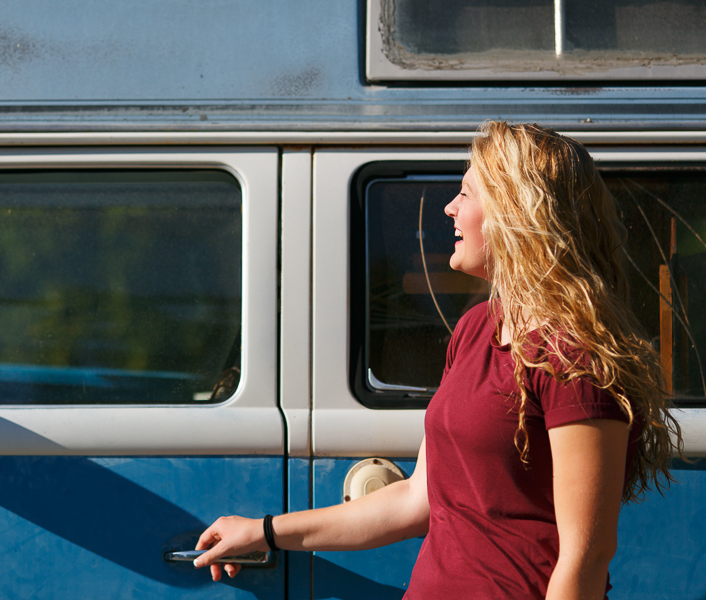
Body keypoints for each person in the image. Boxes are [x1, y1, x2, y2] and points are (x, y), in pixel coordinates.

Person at [192, 122, 684, 600]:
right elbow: (415, 500)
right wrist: (264, 531)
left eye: (467, 193)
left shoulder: (573, 359)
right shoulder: (475, 330)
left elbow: (587, 557)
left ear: (518, 213)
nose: (450, 208)